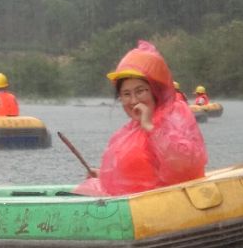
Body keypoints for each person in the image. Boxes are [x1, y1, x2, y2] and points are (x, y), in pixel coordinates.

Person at [74, 40, 207, 196]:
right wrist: (104, 175)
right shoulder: (128, 131)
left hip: (164, 205)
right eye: (126, 94)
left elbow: (187, 166)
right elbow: (137, 174)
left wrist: (150, 127)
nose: (133, 101)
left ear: (155, 91)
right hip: (136, 203)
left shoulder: (172, 118)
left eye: (140, 91)